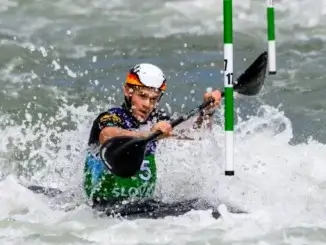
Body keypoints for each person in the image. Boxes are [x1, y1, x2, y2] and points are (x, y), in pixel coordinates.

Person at [83, 63, 222, 218]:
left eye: (154, 99)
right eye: (142, 96)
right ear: (128, 91)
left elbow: (197, 134)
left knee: (210, 209)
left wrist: (207, 113)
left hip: (141, 206)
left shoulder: (157, 119)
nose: (147, 105)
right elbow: (107, 135)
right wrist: (147, 134)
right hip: (103, 208)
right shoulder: (111, 117)